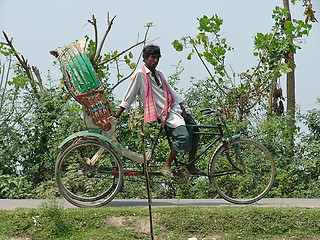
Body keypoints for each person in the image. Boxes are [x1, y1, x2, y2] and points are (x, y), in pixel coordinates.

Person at [114, 44, 201, 178]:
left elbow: (172, 92)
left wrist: (182, 108)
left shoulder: (159, 74)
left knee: (195, 130)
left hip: (175, 107)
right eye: (152, 58)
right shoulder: (140, 75)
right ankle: (167, 165)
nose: (155, 61)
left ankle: (191, 164)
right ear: (145, 58)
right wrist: (117, 115)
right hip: (165, 113)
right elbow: (129, 96)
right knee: (183, 136)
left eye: (157, 58)